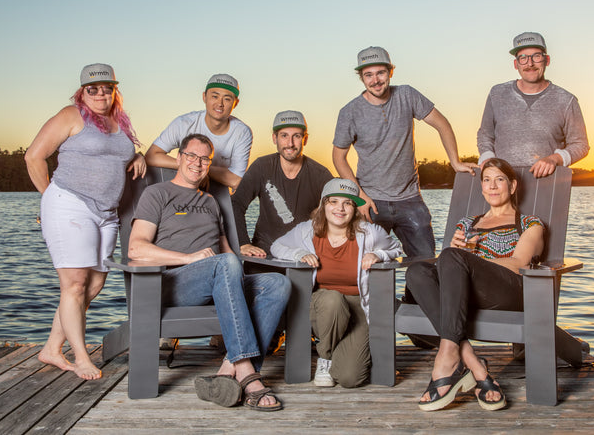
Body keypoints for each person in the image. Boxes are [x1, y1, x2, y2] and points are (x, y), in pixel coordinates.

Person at [128, 133, 290, 411]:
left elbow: (228, 253)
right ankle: (248, 374)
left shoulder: (211, 202)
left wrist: (243, 253)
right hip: (173, 283)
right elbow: (136, 248)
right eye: (191, 155)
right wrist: (188, 258)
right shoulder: (157, 193)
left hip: (218, 279)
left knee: (277, 283)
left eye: (205, 158)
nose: (198, 163)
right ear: (178, 158)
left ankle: (228, 370)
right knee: (224, 265)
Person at [25, 63, 146, 380]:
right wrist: (47, 197)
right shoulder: (71, 115)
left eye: (107, 87)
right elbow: (33, 156)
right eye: (93, 88)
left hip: (106, 212)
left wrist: (138, 156)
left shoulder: (118, 121)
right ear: (82, 91)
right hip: (70, 205)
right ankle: (80, 358)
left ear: (114, 89)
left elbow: (117, 155)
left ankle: (51, 348)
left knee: (92, 286)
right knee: (74, 284)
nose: (101, 93)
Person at [405, 158, 545, 411]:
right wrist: (457, 256)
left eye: (499, 179)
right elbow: (448, 265)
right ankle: (474, 364)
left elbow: (519, 263)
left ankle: (449, 360)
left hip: (507, 293)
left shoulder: (529, 223)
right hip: (464, 296)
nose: (492, 186)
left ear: (512, 186)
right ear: (481, 187)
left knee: (451, 256)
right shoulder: (467, 224)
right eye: (487, 180)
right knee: (417, 272)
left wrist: (470, 259)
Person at [333, 46, 476, 259]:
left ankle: (412, 295)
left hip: (410, 198)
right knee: (365, 263)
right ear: (361, 78)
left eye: (380, 73)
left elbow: (442, 124)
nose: (375, 80)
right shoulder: (349, 112)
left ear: (391, 71)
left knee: (425, 261)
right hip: (371, 200)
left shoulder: (407, 95)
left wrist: (455, 162)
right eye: (368, 75)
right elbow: (338, 157)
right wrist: (360, 197)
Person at [271, 178, 402, 388]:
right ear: (324, 205)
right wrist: (299, 252)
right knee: (332, 299)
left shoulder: (370, 233)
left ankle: (340, 354)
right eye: (333, 202)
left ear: (355, 208)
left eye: (347, 203)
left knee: (350, 378)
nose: (340, 208)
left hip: (357, 307)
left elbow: (397, 249)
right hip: (321, 305)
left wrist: (378, 254)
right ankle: (324, 359)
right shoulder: (307, 230)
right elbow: (276, 246)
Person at [477, 32, 590, 178]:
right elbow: (485, 134)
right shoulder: (496, 94)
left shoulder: (567, 101)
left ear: (547, 60)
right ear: (516, 64)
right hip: (501, 183)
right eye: (523, 58)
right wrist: (487, 158)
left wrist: (554, 159)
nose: (530, 64)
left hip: (547, 184)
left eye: (536, 56)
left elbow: (581, 145)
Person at [232, 110, 332, 257]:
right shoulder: (262, 167)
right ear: (274, 138)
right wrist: (243, 242)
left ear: (305, 139)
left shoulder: (320, 174)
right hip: (263, 254)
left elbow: (338, 212)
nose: (290, 143)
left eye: (296, 136)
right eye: (284, 136)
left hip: (303, 255)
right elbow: (236, 204)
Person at [145, 74, 252, 190]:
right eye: (215, 96)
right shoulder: (183, 123)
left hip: (219, 194)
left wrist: (202, 169)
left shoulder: (242, 132)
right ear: (204, 97)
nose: (220, 104)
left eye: (227, 99)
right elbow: (151, 156)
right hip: (184, 189)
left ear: (235, 103)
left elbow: (236, 180)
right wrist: (188, 166)